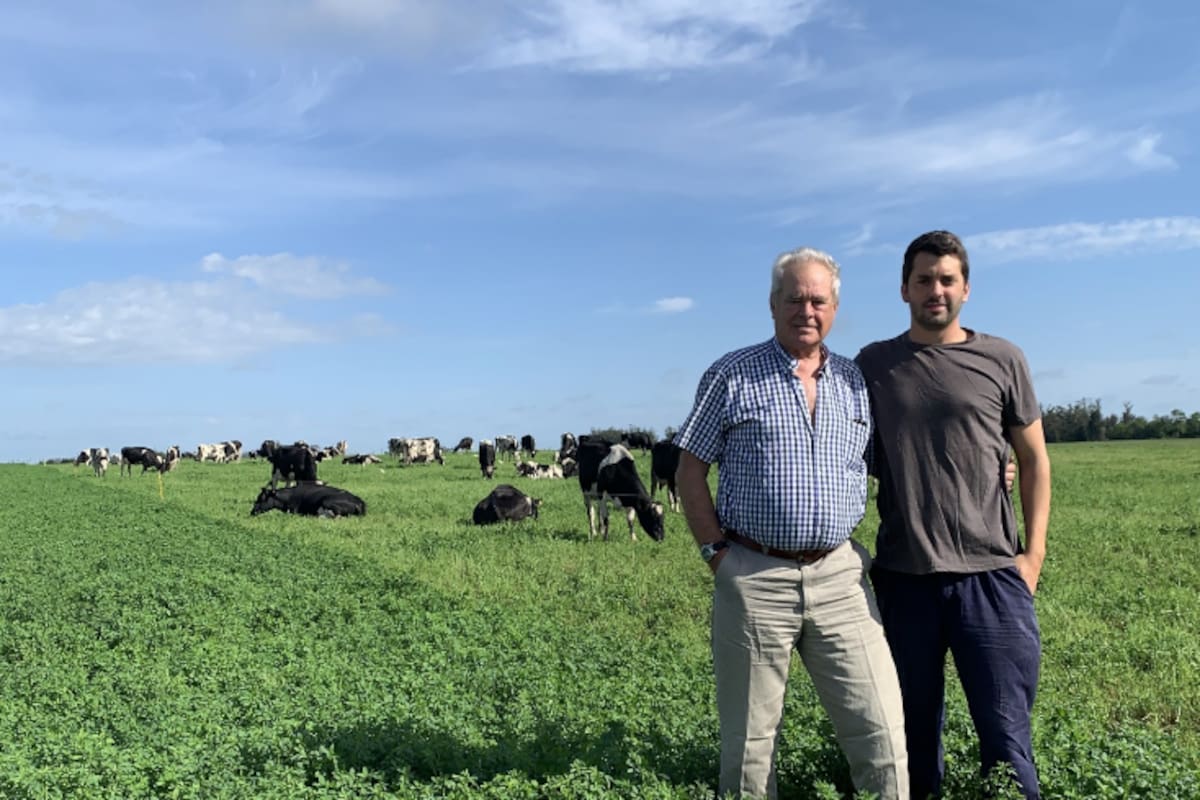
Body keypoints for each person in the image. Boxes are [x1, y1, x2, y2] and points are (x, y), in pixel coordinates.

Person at [674, 247, 908, 799]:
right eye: (795, 298)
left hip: (841, 578)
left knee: (881, 731)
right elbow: (689, 470)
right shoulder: (732, 374)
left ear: (834, 308)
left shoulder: (854, 382)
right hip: (754, 575)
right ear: (773, 303)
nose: (807, 310)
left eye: (818, 300)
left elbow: (893, 462)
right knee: (751, 747)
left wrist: (995, 467)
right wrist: (716, 555)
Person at [855, 230, 1052, 799]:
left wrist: (1032, 557)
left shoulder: (1003, 358)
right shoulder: (873, 365)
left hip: (991, 576)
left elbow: (1034, 460)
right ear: (904, 289)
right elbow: (848, 453)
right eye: (924, 280)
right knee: (909, 740)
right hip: (904, 578)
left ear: (966, 288)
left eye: (947, 280)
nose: (935, 290)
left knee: (1007, 742)